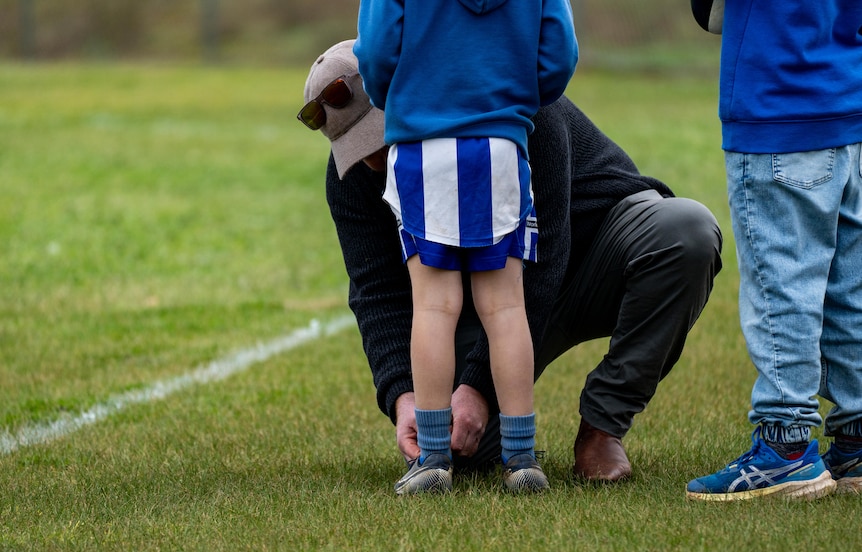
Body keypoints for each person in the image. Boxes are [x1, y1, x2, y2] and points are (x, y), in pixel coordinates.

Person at [298, 40, 723, 490]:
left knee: (686, 232)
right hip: (492, 299)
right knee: (465, 447)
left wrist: (478, 387)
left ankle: (603, 427)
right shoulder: (355, 177)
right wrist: (404, 396)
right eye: (355, 147)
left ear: (411, 91)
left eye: (379, 137)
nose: (372, 159)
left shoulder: (517, 106)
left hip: (595, 254)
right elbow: (377, 290)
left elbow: (549, 251)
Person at [350, 0, 577, 495]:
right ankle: (522, 459)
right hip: (501, 145)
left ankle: (432, 458)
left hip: (421, 146)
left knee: (434, 306)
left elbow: (377, 54)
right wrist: (512, 98)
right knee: (506, 307)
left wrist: (407, 97)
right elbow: (558, 57)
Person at [685, 1, 862, 501]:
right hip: (848, 104)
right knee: (848, 291)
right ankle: (855, 444)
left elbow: (710, 12)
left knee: (783, 286)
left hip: (778, 107)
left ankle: (785, 446)